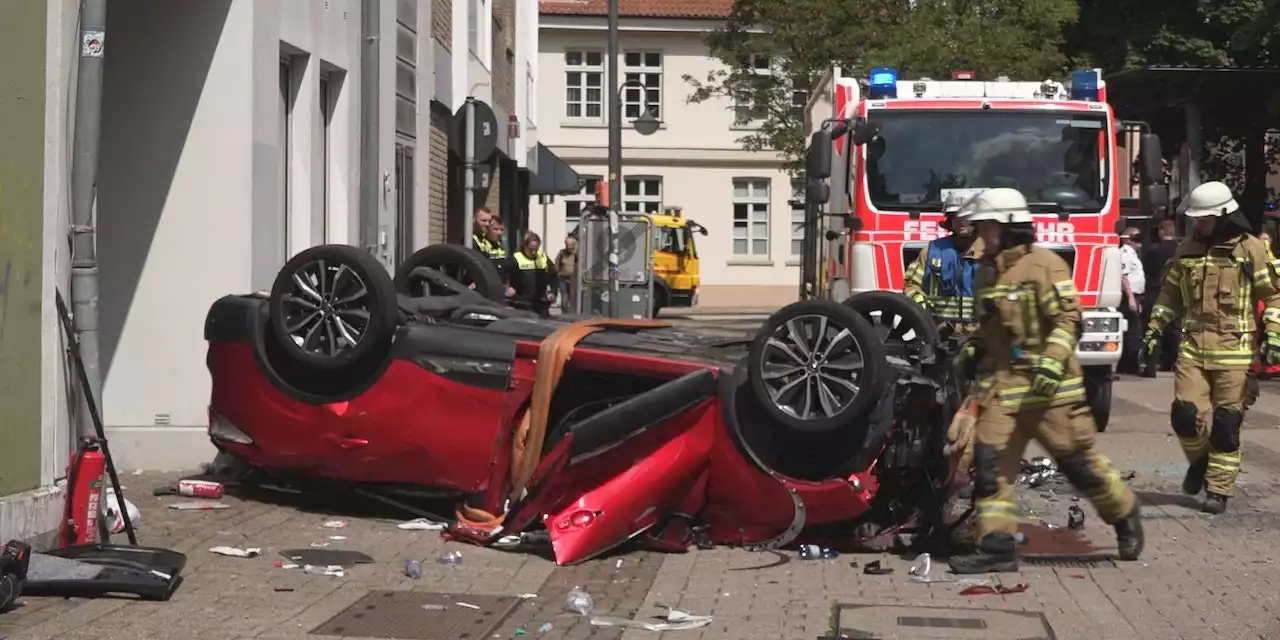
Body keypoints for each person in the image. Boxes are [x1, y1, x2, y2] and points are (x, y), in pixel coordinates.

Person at [948, 188, 1143, 574]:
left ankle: (1124, 513)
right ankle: (997, 547)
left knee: (1079, 467)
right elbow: (989, 327)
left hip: (1049, 392)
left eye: (986, 227)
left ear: (1008, 227)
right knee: (989, 466)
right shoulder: (987, 271)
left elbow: (1069, 319)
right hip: (1003, 389)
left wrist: (1053, 362)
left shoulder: (1044, 265)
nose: (979, 234)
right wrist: (973, 348)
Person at [1140, 181, 1280, 514]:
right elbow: (1169, 294)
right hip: (1193, 349)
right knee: (1184, 416)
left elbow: (1274, 295)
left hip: (1236, 351)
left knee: (1227, 426)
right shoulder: (1187, 249)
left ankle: (1218, 490)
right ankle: (1200, 461)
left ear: (1223, 216)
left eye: (1204, 219)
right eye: (1196, 220)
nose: (1199, 225)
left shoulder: (1251, 249)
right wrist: (1152, 331)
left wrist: (1274, 335)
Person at [902, 193, 985, 335]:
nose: (960, 221)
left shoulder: (988, 252)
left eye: (966, 216)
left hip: (981, 336)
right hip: (939, 334)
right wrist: (924, 313)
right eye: (955, 215)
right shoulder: (932, 251)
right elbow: (911, 287)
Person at [1140, 219, 1181, 375]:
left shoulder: (1154, 251)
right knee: (1173, 330)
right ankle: (1171, 363)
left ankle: (1150, 366)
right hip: (1175, 294)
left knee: (1154, 329)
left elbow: (1147, 270)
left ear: (1161, 232)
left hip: (1156, 293)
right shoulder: (1180, 250)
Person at [1117, 227, 1146, 374]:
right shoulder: (1125, 254)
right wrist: (1131, 298)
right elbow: (1123, 277)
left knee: (1132, 331)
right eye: (1135, 239)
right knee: (1133, 332)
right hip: (1130, 296)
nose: (1138, 242)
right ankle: (1129, 365)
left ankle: (1128, 365)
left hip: (1136, 295)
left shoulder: (1133, 254)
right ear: (1127, 239)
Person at [511, 232, 557, 316]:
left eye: (536, 249)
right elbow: (506, 275)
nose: (533, 252)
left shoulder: (542, 257)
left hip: (541, 302)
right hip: (523, 302)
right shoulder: (516, 258)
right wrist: (509, 288)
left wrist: (553, 292)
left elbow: (554, 275)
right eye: (530, 249)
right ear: (524, 246)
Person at [555, 235, 578, 311]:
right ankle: (564, 311)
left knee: (572, 295)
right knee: (564, 295)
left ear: (574, 245)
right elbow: (557, 262)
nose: (568, 247)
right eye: (567, 245)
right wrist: (557, 272)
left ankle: (572, 312)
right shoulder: (562, 252)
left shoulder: (576, 254)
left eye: (570, 245)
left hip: (573, 278)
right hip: (562, 277)